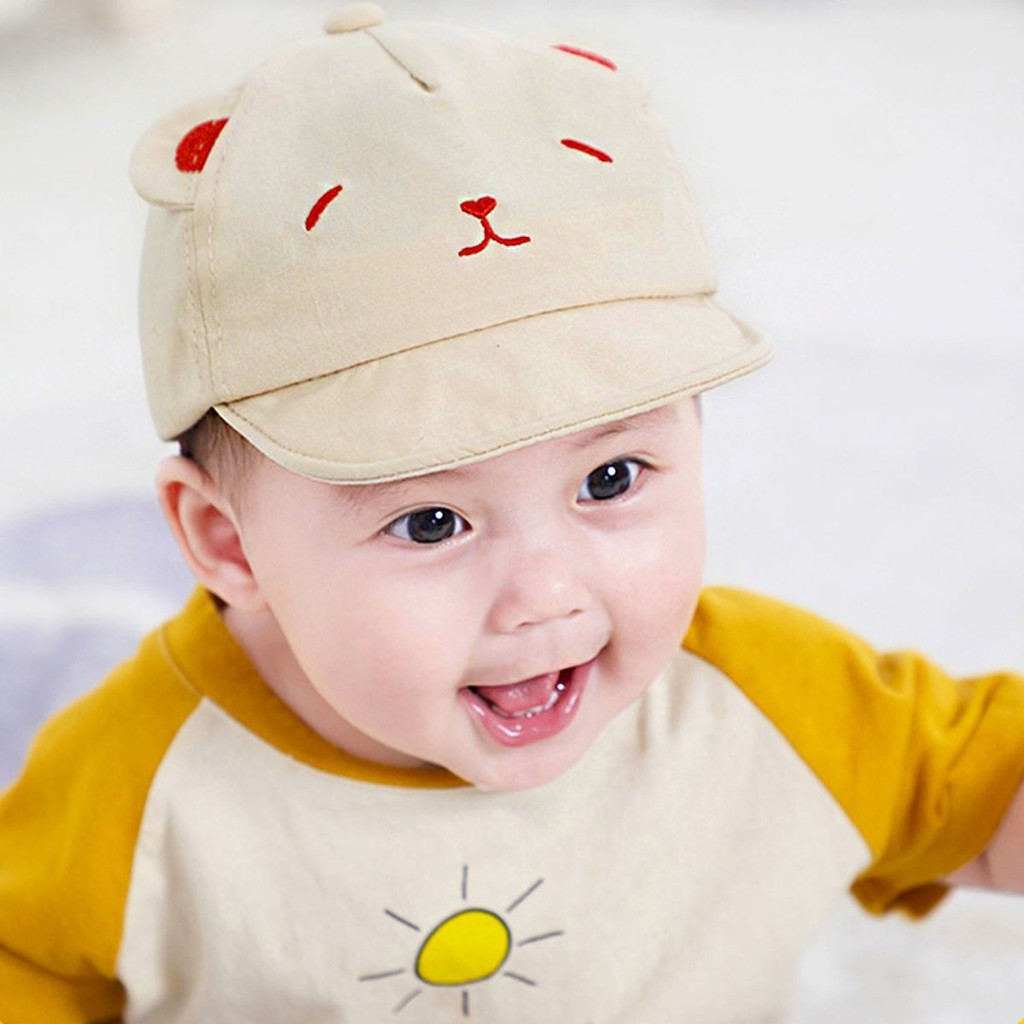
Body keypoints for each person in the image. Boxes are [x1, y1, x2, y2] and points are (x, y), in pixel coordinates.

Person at [1, 4, 1021, 1021]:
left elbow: (979, 793)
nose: (545, 595)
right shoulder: (139, 784)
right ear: (229, 543)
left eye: (610, 479)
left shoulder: (768, 704)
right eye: (431, 522)